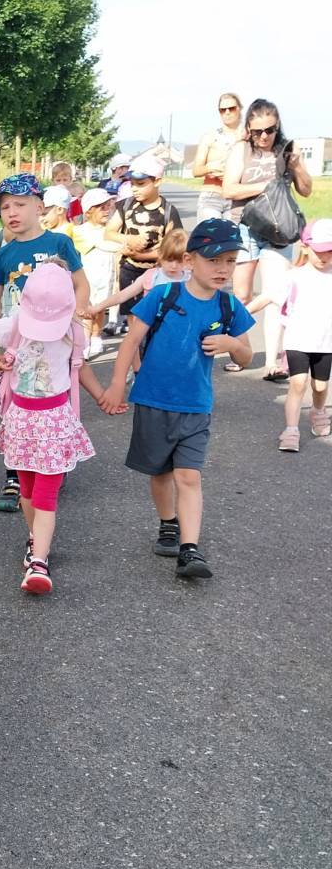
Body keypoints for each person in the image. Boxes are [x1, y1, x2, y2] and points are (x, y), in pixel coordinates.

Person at [98, 219, 255, 579]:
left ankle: (190, 549)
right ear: (189, 260)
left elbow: (246, 356)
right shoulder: (163, 296)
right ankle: (168, 522)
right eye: (213, 260)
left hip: (196, 405)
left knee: (188, 475)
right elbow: (130, 341)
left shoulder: (229, 306)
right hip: (153, 400)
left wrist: (232, 344)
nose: (223, 269)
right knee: (160, 473)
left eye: (230, 261)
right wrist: (117, 384)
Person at [0, 260, 111, 594]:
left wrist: (103, 396)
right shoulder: (15, 324)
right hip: (20, 421)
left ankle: (39, 563)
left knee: (45, 495)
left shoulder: (73, 331)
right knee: (28, 492)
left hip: (55, 423)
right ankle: (36, 540)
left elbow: (80, 368)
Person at [0, 173, 89, 513]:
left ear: (39, 207)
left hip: (55, 340)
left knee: (55, 404)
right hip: (16, 342)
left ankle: (53, 462)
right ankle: (15, 472)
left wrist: (77, 314)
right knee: (12, 407)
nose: (11, 212)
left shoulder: (60, 244)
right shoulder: (4, 255)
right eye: (4, 207)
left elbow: (81, 284)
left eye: (20, 204)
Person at [221, 97, 314, 380]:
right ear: (249, 128)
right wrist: (267, 185)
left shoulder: (287, 150)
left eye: (270, 130)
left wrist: (297, 166)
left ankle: (271, 362)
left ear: (278, 126)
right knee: (242, 294)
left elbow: (306, 190)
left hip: (278, 230)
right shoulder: (241, 150)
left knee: (275, 295)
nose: (264, 136)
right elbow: (229, 189)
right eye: (258, 131)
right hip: (245, 226)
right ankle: (240, 352)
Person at [246, 219, 332, 451]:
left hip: (326, 344)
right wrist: (240, 314)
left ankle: (318, 410)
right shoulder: (294, 276)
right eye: (319, 251)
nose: (324, 257)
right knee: (298, 383)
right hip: (297, 341)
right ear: (306, 247)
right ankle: (291, 429)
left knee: (320, 387)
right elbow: (266, 297)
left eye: (329, 251)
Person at [104, 154, 182, 334]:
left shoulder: (169, 211)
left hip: (158, 274)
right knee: (133, 319)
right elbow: (109, 233)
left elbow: (173, 249)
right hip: (129, 270)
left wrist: (141, 255)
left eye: (140, 184)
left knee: (156, 319)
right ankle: (136, 352)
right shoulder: (125, 206)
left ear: (157, 181)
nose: (135, 189)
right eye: (132, 183)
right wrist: (129, 240)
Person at [86, 226, 190, 319]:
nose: (174, 266)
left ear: (187, 259)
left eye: (179, 261)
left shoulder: (190, 278)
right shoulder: (152, 276)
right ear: (161, 255)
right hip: (152, 329)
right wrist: (97, 307)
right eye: (169, 260)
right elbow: (123, 295)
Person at [73, 186, 122, 357]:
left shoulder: (112, 230)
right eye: (102, 207)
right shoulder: (80, 231)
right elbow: (103, 244)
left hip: (107, 277)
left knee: (101, 309)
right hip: (88, 278)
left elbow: (118, 247)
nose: (107, 210)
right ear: (88, 211)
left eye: (109, 206)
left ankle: (96, 336)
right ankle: (85, 342)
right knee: (87, 310)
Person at [191, 92, 243, 221]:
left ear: (239, 109)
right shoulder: (209, 137)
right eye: (222, 110)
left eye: (231, 108)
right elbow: (196, 170)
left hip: (237, 197)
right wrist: (211, 167)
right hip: (211, 195)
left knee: (235, 234)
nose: (227, 112)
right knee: (211, 233)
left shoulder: (248, 136)